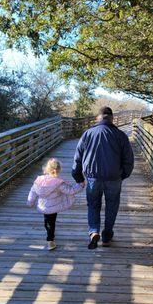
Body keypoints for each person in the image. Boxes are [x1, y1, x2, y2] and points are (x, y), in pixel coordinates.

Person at [72, 106, 134, 250]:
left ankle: (94, 231)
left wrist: (78, 176)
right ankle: (106, 236)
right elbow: (129, 160)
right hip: (114, 178)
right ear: (111, 118)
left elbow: (78, 158)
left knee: (93, 205)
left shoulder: (87, 134)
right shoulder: (121, 135)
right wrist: (123, 175)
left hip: (93, 178)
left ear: (97, 118)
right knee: (112, 206)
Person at [27, 158, 84, 250]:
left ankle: (49, 232)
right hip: (53, 207)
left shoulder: (39, 181)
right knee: (51, 222)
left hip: (43, 206)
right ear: (59, 169)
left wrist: (30, 201)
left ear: (46, 169)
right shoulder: (58, 183)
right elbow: (70, 191)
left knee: (47, 220)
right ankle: (50, 240)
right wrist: (80, 185)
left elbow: (32, 191)